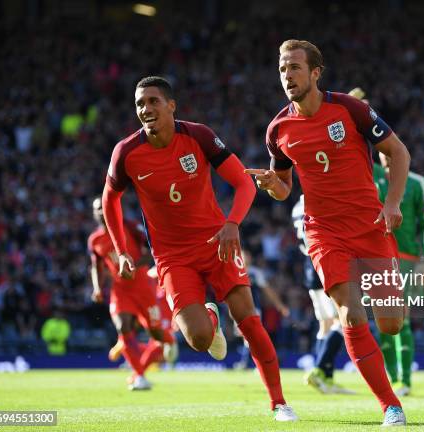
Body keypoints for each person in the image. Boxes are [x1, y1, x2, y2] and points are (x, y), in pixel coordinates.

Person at [101, 76, 297, 420]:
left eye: (153, 101)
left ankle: (279, 403)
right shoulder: (127, 153)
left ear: (171, 106)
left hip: (217, 243)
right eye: (140, 104)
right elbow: (110, 200)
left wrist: (232, 224)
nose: (146, 109)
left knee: (250, 322)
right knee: (198, 340)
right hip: (173, 258)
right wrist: (122, 251)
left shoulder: (199, 136)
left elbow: (243, 184)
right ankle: (210, 316)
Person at [246, 40, 410, 426]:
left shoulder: (350, 109)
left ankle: (380, 352)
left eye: (295, 68)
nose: (287, 76)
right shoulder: (278, 129)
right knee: (351, 316)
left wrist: (393, 204)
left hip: (370, 226)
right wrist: (273, 185)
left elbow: (399, 152)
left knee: (391, 322)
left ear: (316, 72)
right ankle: (390, 405)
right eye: (283, 69)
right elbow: (285, 188)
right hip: (324, 232)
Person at [350, 86, 424, 396]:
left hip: (409, 258)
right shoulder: (367, 175)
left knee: (403, 318)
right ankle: (392, 377)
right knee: (381, 321)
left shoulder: (416, 183)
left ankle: (406, 381)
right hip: (375, 256)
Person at [88, 197, 177, 390]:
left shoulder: (129, 226)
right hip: (120, 290)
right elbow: (96, 266)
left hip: (143, 287)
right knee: (123, 328)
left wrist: (132, 266)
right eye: (98, 209)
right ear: (94, 214)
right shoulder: (95, 240)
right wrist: (97, 287)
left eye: (104, 207)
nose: (102, 212)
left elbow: (152, 250)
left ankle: (169, 340)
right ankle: (140, 377)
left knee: (156, 332)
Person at [292, 195, 355, 395]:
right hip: (324, 262)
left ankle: (326, 379)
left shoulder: (296, 207)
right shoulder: (318, 200)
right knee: (340, 321)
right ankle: (319, 369)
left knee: (325, 324)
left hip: (309, 267)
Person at [233, 250, 290, 370]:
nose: (245, 258)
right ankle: (258, 362)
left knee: (252, 336)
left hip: (253, 309)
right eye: (243, 256)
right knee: (246, 336)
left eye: (247, 256)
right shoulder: (234, 272)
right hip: (238, 308)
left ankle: (251, 362)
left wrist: (280, 306)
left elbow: (267, 290)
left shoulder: (254, 273)